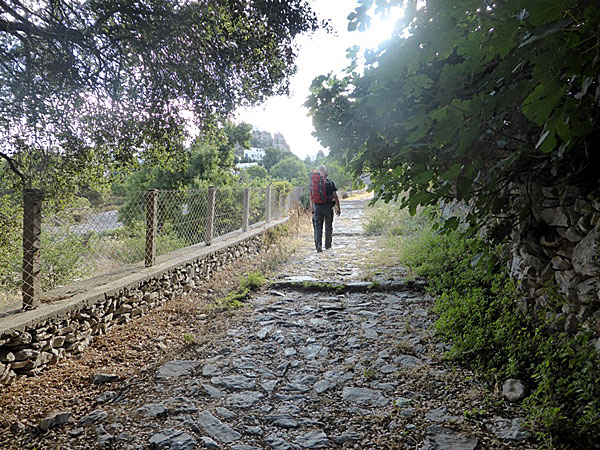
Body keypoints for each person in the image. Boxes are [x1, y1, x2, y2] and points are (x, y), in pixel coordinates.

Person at [310, 165, 341, 252]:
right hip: (328, 207)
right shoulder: (330, 182)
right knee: (328, 226)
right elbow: (335, 196)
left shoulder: (314, 182)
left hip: (317, 207)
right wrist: (338, 208)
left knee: (317, 227)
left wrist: (312, 209)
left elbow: (311, 197)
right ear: (325, 172)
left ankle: (318, 246)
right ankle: (328, 245)